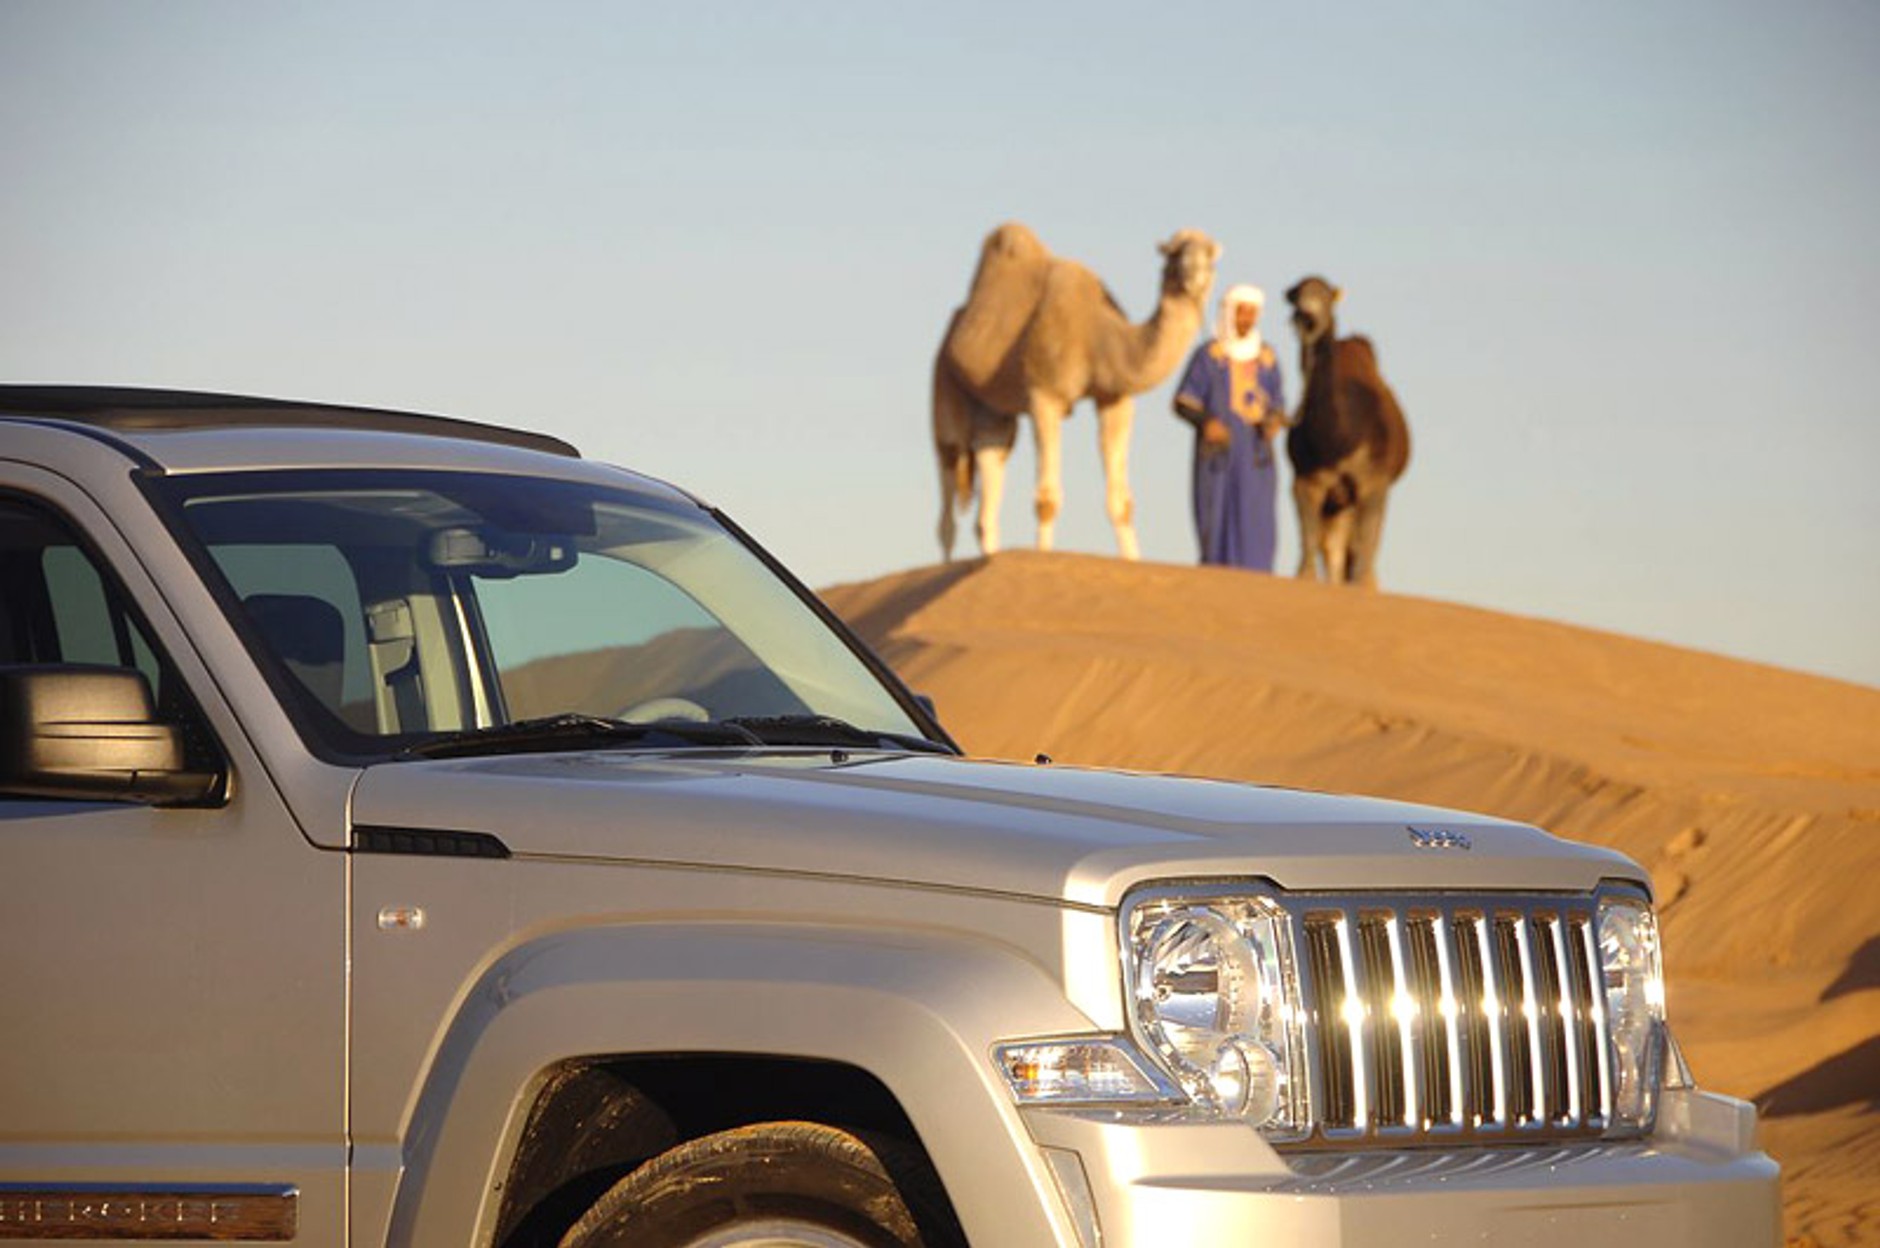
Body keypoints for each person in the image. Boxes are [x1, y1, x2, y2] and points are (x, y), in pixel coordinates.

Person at [1172, 283, 1288, 569]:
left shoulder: (1267, 359)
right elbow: (1183, 401)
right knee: (1216, 519)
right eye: (1241, 312)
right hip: (1218, 455)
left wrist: (1274, 421)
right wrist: (1206, 422)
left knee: (1256, 519)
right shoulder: (1208, 357)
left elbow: (1278, 403)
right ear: (1229, 313)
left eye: (1252, 313)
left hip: (1255, 455)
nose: (1246, 319)